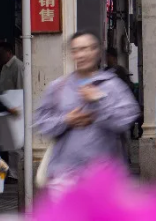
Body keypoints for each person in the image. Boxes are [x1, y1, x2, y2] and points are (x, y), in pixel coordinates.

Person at [35, 32, 140, 186]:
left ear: (96, 52)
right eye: (76, 50)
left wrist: (99, 100)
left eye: (86, 49)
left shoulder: (112, 85)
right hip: (65, 175)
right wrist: (66, 120)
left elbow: (125, 121)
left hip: (103, 176)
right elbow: (42, 123)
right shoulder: (59, 87)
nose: (81, 54)